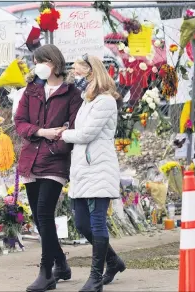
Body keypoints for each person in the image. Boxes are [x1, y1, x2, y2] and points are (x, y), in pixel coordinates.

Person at [15, 44, 83, 292]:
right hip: (31, 159)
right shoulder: (31, 90)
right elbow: (20, 123)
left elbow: (73, 128)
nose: (37, 66)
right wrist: (41, 132)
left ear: (53, 63)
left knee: (44, 213)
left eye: (40, 61)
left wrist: (57, 142)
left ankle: (47, 273)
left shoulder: (71, 94)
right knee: (38, 216)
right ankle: (62, 264)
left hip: (54, 160)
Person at [58, 54, 125, 292]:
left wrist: (62, 134)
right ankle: (113, 261)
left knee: (96, 223)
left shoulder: (105, 101)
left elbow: (86, 134)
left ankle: (95, 277)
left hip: (98, 167)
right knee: (81, 223)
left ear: (90, 72)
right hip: (83, 168)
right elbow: (81, 131)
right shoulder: (88, 100)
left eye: (77, 71)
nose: (74, 75)